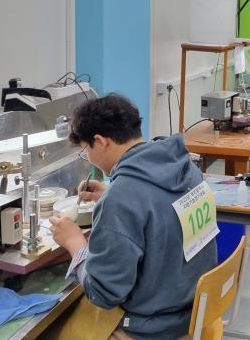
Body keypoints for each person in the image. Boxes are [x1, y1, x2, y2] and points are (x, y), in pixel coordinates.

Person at [49, 94, 217, 340]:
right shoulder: (184, 166)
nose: (89, 158)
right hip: (195, 310)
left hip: (155, 328)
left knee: (52, 330)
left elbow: (103, 294)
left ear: (100, 141)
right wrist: (111, 194)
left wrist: (75, 243)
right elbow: (163, 210)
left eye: (86, 150)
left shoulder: (122, 199)